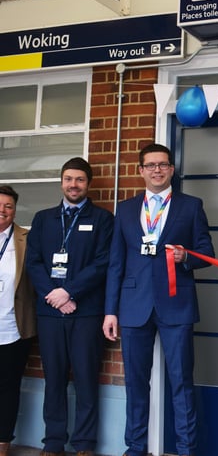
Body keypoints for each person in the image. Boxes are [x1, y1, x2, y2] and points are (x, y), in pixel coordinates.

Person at [102, 143, 214, 456]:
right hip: (134, 306)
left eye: (163, 164)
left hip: (176, 304)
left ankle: (186, 448)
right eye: (150, 165)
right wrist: (110, 311)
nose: (157, 170)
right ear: (141, 171)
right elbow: (115, 264)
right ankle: (135, 447)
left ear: (171, 170)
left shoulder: (191, 206)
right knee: (136, 384)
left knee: (181, 382)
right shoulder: (124, 210)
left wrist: (186, 256)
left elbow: (207, 254)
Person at [26, 158, 114, 456]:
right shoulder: (43, 218)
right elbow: (34, 262)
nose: (73, 185)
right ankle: (53, 442)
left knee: (87, 379)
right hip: (50, 311)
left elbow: (103, 262)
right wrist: (53, 294)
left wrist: (69, 291)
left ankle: (85, 444)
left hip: (86, 312)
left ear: (88, 184)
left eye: (79, 180)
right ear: (61, 182)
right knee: (54, 379)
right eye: (68, 179)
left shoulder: (103, 219)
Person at [0, 186, 36, 456]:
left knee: (8, 389)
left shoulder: (26, 238)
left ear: (15, 210)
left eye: (8, 206)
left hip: (13, 327)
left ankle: (2, 442)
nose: (2, 210)